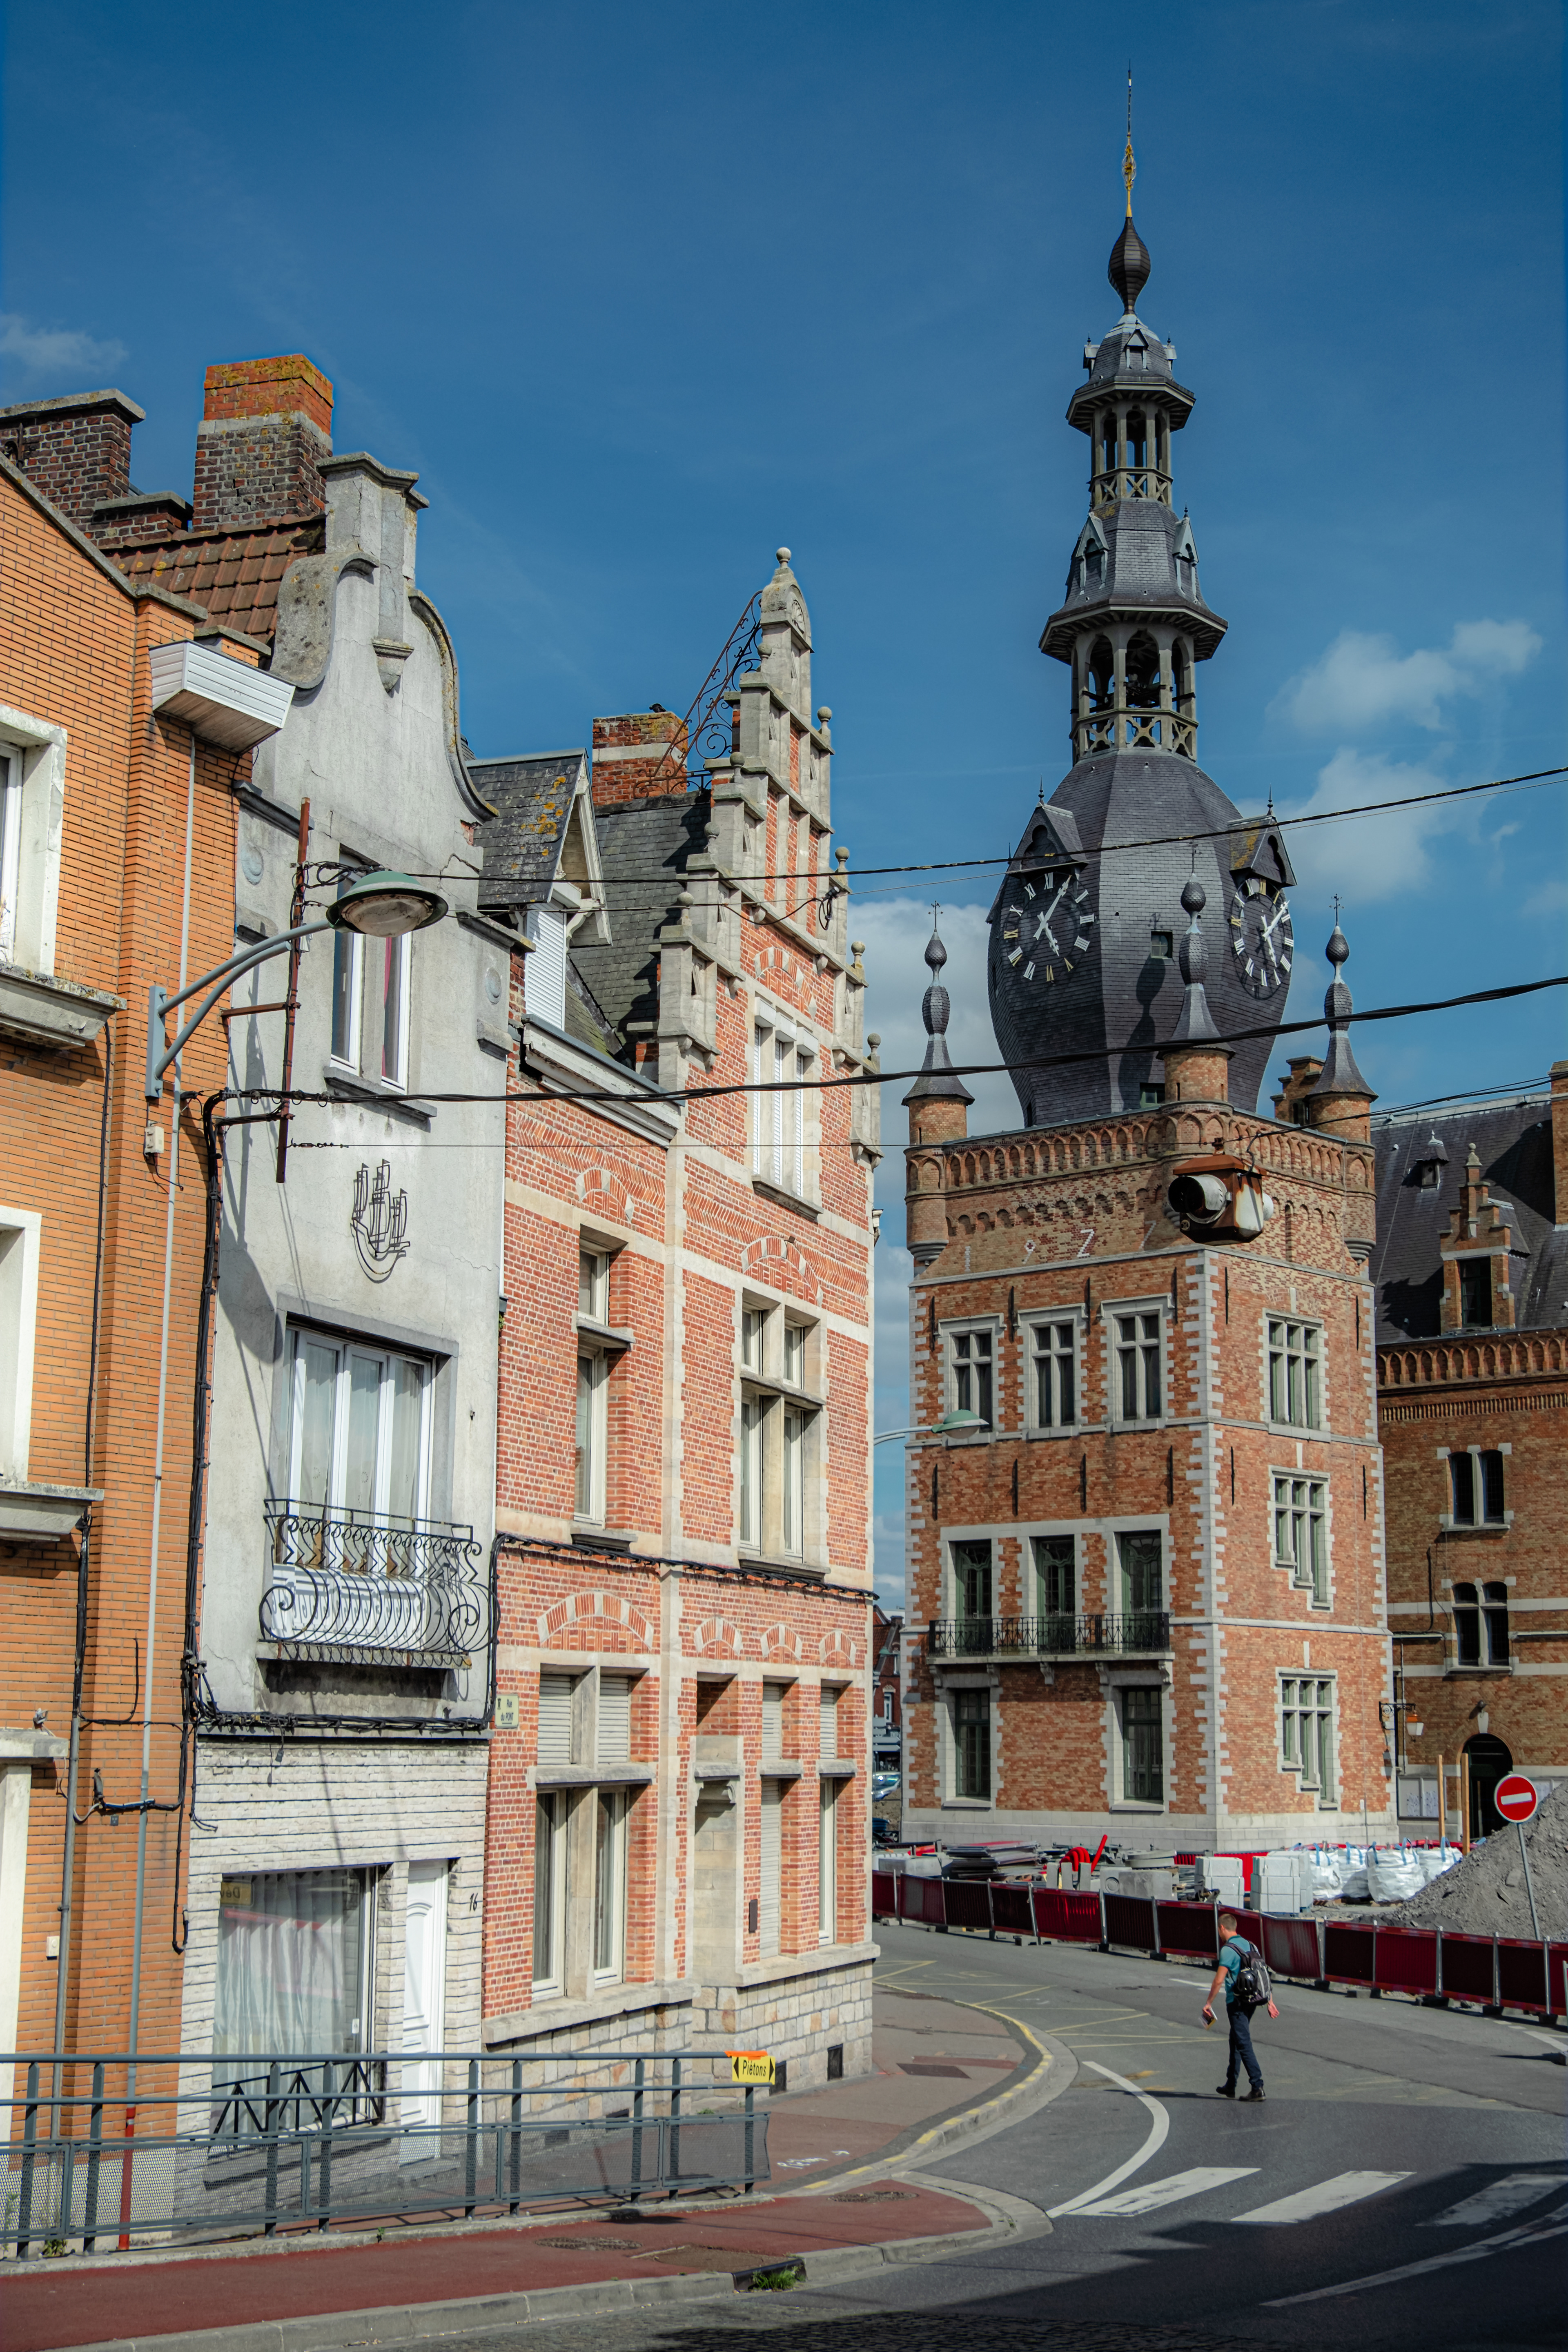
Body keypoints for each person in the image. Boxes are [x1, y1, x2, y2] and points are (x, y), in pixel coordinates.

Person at [1203, 1910, 1278, 2101]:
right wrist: (1270, 2001)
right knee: (1235, 2040)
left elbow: (1219, 1980)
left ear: (1222, 1928)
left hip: (1236, 2002)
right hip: (1253, 2000)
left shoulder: (1228, 1950)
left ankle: (1257, 2086)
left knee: (1243, 2042)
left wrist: (1209, 2003)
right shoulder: (1251, 1945)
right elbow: (1262, 1973)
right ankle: (1231, 2085)